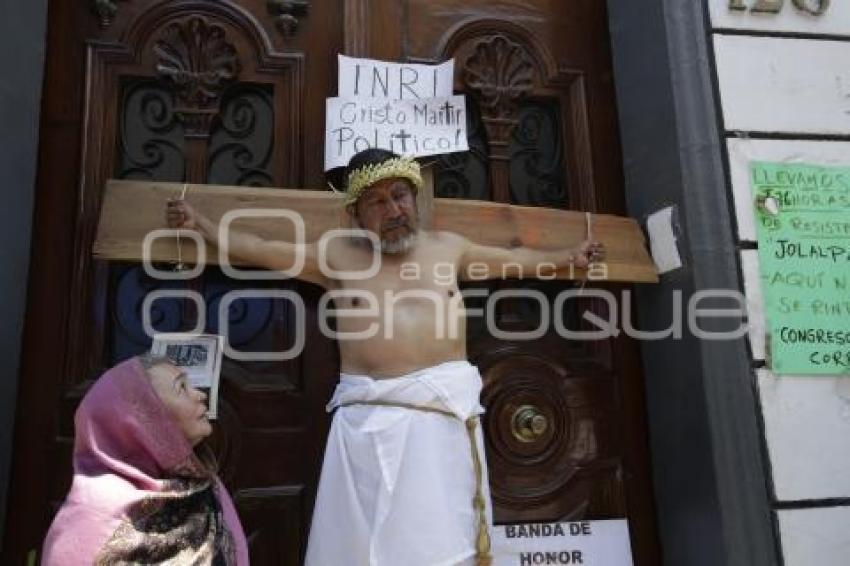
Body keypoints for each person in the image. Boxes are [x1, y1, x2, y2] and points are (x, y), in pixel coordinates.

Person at [166, 148, 604, 565]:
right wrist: (201, 224)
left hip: (442, 426)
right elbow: (260, 248)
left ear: (415, 199)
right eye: (376, 202)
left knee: (443, 548)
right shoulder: (336, 257)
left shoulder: (449, 249)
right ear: (355, 214)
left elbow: (514, 259)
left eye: (400, 195)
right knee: (363, 551)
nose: (393, 210)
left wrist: (568, 256)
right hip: (368, 431)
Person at [42, 354, 249, 565]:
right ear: (147, 420)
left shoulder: (204, 486)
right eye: (182, 388)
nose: (199, 395)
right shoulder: (91, 515)